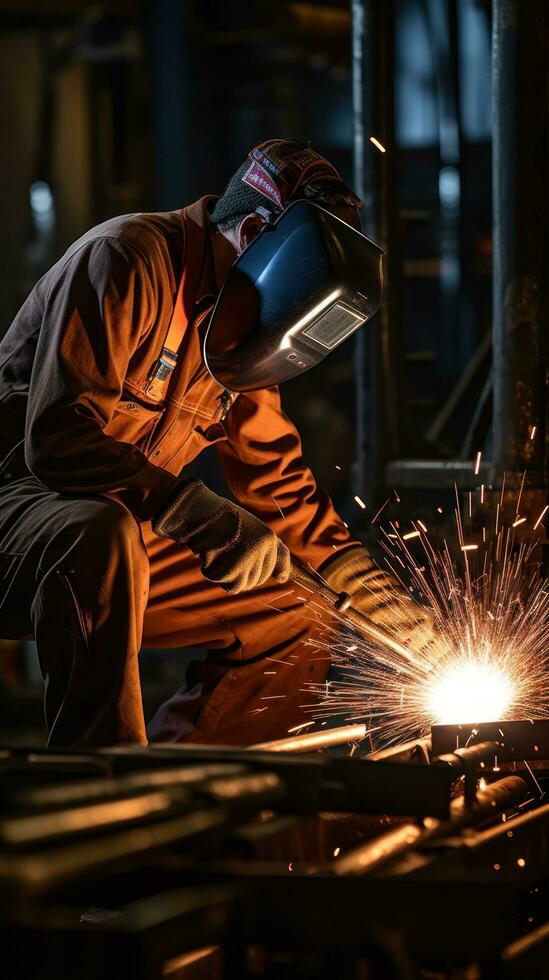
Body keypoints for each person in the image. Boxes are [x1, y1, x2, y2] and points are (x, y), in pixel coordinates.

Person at [0, 138, 434, 747]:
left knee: (297, 614)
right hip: (22, 518)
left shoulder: (241, 326)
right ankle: (107, 787)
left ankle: (197, 800)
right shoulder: (125, 261)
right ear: (253, 230)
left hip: (125, 534)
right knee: (99, 533)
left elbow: (275, 481)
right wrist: (194, 511)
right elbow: (55, 440)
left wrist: (366, 587)